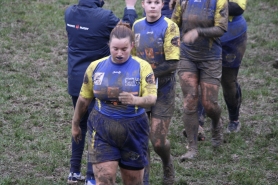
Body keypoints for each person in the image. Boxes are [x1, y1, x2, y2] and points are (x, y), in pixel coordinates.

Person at [71, 22, 157, 185]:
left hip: (134, 129)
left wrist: (136, 100)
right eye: (115, 48)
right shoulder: (95, 67)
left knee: (133, 181)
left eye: (124, 49)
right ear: (109, 44)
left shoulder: (143, 67)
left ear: (132, 46)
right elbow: (84, 99)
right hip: (102, 127)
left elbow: (152, 98)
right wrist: (75, 124)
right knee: (104, 178)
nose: (119, 53)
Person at [64, 0, 138, 184]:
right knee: (96, 129)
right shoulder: (105, 17)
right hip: (99, 82)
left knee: (79, 122)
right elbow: (125, 31)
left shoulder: (69, 13)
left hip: (75, 79)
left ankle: (74, 171)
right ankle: (91, 175)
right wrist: (130, 7)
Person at [170, 0, 228, 160]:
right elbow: (173, 24)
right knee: (189, 101)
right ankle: (192, 148)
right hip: (187, 55)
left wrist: (199, 32)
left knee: (210, 104)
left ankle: (216, 122)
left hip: (211, 57)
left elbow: (222, 28)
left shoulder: (219, 1)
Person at [184, 0, 248, 138]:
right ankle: (198, 123)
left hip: (231, 36)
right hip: (202, 38)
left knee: (228, 81)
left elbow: (238, 7)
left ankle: (234, 119)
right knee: (201, 79)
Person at [132, 0, 180, 184]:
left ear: (163, 5)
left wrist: (148, 75)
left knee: (158, 141)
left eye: (157, 2)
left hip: (164, 90)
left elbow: (173, 63)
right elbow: (133, 58)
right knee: (141, 140)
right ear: (143, 5)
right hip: (141, 91)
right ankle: (145, 180)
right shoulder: (136, 26)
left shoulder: (170, 27)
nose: (153, 6)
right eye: (149, 2)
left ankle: (167, 163)